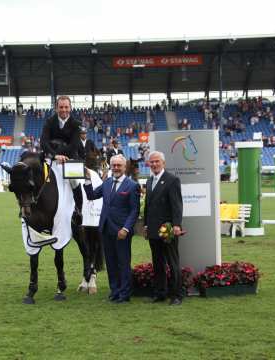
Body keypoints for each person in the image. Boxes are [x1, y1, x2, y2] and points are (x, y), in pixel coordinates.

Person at [83, 154, 140, 303]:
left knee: (123, 263)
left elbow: (135, 211)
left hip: (122, 232)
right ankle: (114, 292)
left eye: (118, 165)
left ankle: (124, 294)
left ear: (124, 166)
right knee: (111, 263)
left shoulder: (132, 186)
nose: (116, 168)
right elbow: (91, 195)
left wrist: (126, 229)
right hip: (106, 230)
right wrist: (87, 178)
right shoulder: (107, 182)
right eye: (113, 165)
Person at [143, 151, 183, 306]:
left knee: (172, 263)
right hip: (153, 230)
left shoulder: (172, 180)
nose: (154, 164)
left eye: (157, 161)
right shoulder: (149, 180)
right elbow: (147, 206)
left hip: (168, 230)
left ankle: (177, 295)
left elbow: (177, 206)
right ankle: (160, 293)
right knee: (157, 263)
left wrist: (177, 225)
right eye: (151, 162)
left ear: (163, 163)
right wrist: (146, 225)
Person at [40, 96, 81, 163]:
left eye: (66, 107)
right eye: (61, 107)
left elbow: (74, 146)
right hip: (51, 158)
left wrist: (57, 153)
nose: (64, 110)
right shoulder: (49, 122)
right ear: (56, 108)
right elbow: (43, 142)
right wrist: (54, 156)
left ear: (70, 108)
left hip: (70, 159)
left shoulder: (76, 124)